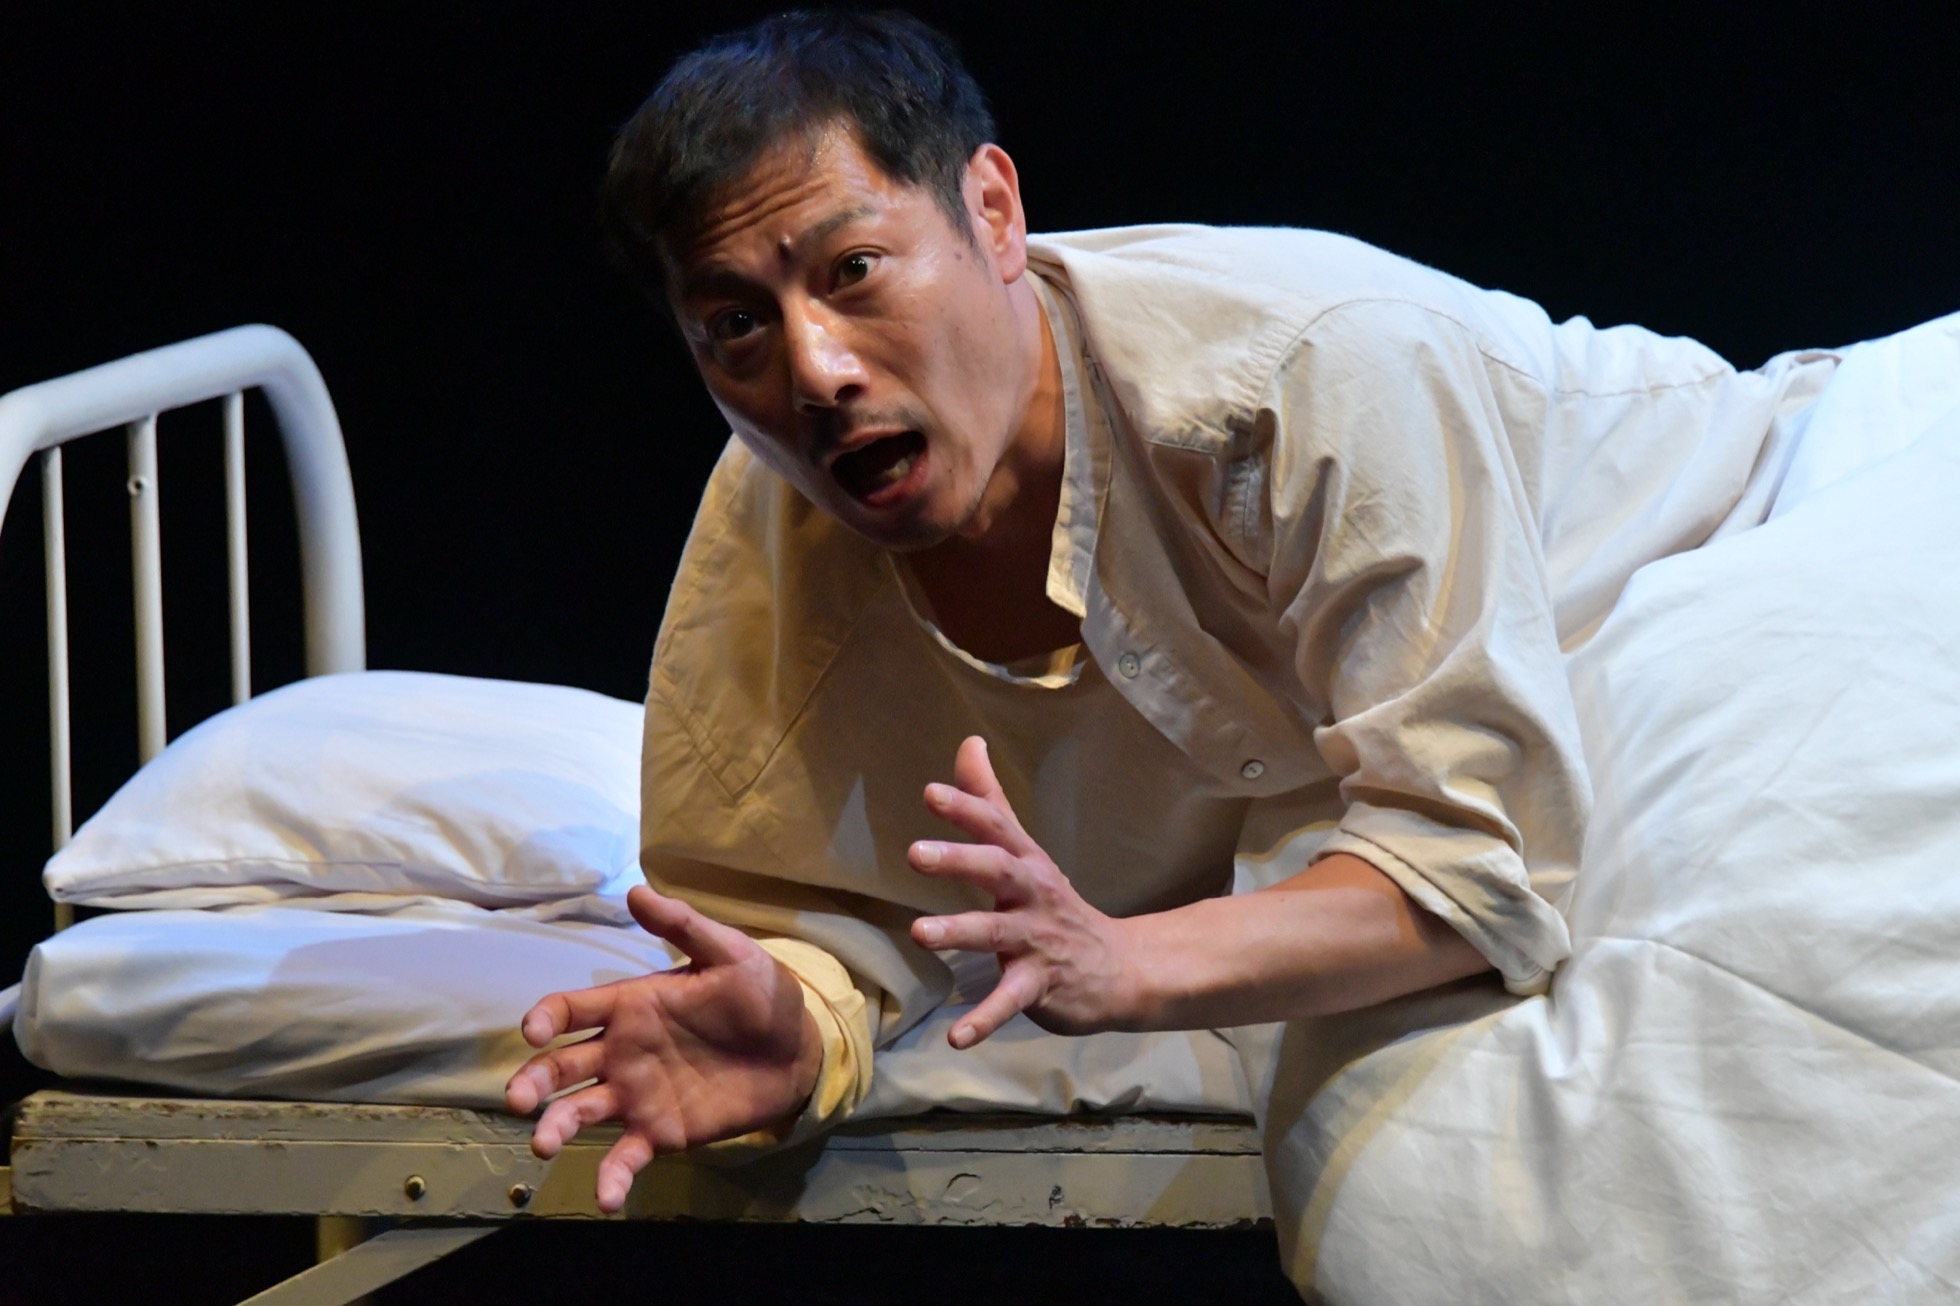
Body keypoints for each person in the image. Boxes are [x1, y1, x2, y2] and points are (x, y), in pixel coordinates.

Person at [501, 10, 1835, 1215]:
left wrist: (1127, 962)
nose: (815, 370)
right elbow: (818, 915)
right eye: (734, 326)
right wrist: (801, 1030)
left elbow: (1474, 868)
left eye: (853, 269)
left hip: (1772, 521)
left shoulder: (1301, 376)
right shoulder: (771, 549)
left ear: (993, 212)